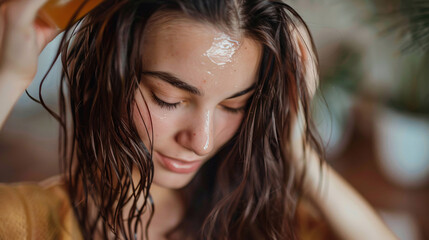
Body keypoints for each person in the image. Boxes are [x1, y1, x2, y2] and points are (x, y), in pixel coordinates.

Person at [0, 0, 398, 239]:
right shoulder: (32, 222)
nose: (202, 141)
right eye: (168, 99)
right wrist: (10, 75)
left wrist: (298, 152)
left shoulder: (253, 219)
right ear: (109, 76)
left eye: (233, 106)